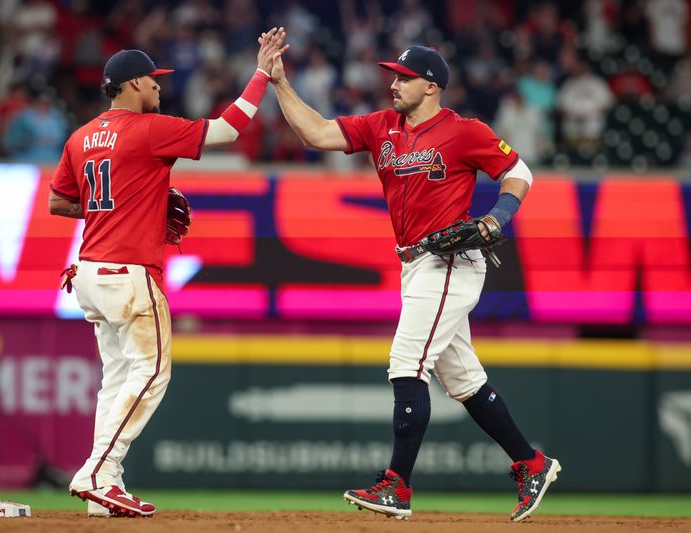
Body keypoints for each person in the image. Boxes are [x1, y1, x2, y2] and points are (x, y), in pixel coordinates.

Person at [268, 43, 561, 522]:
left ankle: (397, 486)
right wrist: (280, 83)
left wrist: (497, 217)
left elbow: (518, 171)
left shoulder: (463, 132)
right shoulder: (382, 126)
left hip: (450, 261)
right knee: (464, 380)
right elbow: (317, 133)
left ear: (431, 85)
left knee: (406, 362)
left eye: (403, 77)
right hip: (414, 263)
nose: (393, 84)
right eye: (393, 76)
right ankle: (532, 463)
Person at [48, 29, 288, 518]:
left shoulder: (80, 136)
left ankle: (105, 487)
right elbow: (229, 129)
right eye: (153, 80)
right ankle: (97, 470)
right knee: (153, 371)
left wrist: (116, 209)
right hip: (128, 271)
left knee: (116, 380)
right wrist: (262, 74)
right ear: (132, 83)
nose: (159, 87)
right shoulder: (147, 129)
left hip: (90, 270)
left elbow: (58, 201)